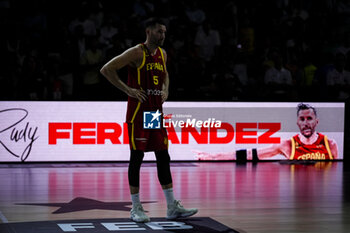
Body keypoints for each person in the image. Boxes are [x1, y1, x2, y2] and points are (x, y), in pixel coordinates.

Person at [100, 17, 197, 223]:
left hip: (154, 113)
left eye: (164, 32)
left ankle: (172, 206)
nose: (163, 35)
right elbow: (107, 69)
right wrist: (128, 90)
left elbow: (166, 74)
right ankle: (135, 208)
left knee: (163, 157)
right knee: (137, 158)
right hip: (138, 113)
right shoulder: (137, 52)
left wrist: (165, 89)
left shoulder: (162, 54)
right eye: (159, 31)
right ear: (148, 32)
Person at [196, 103, 338, 161]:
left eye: (309, 118)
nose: (306, 123)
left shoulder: (329, 144)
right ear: (297, 122)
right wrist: (214, 156)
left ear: (316, 121)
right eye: (302, 119)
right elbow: (251, 154)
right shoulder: (288, 145)